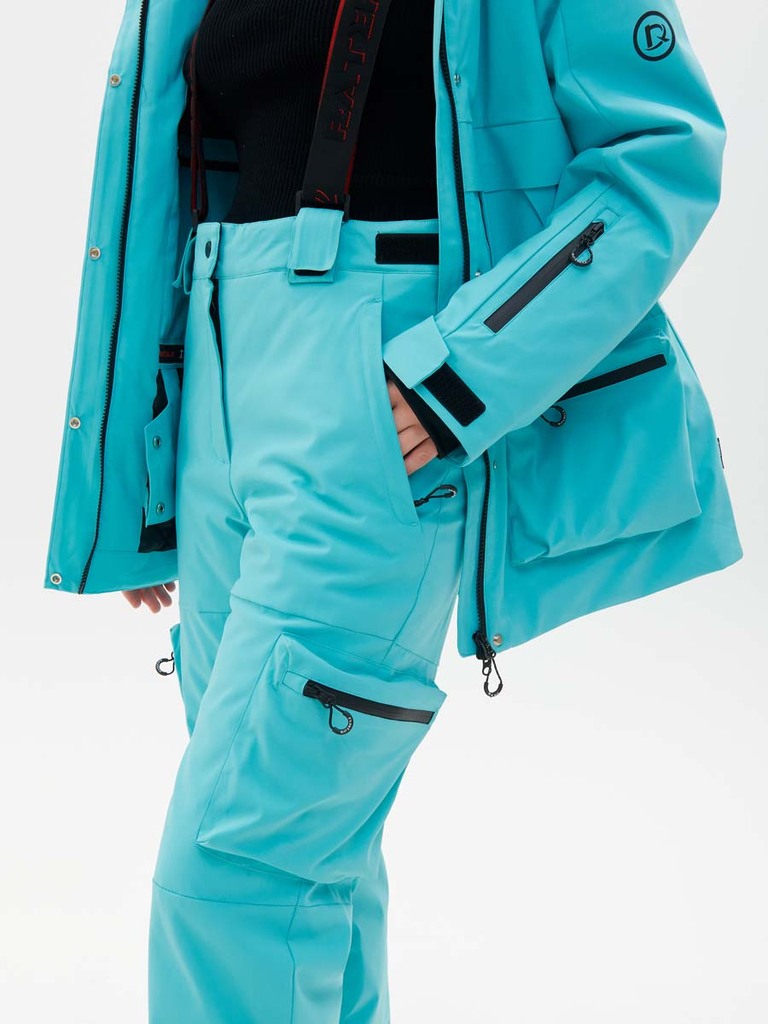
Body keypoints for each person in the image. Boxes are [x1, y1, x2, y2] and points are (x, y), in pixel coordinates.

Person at [44, 1, 742, 1020]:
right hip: (215, 389)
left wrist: (460, 374)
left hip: (379, 381)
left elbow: (660, 158)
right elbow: (173, 180)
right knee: (305, 856)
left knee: (237, 869)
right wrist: (140, 473)